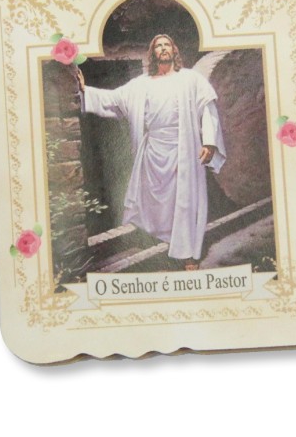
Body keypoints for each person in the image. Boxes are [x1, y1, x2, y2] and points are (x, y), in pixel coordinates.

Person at [77, 35, 226, 270]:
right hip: (153, 152)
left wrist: (209, 142)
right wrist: (85, 90)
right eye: (158, 46)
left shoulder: (190, 79)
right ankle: (162, 245)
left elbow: (208, 108)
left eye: (167, 45)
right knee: (155, 205)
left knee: (185, 204)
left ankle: (188, 254)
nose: (163, 49)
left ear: (174, 50)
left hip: (183, 149)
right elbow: (113, 99)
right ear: (153, 53)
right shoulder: (141, 84)